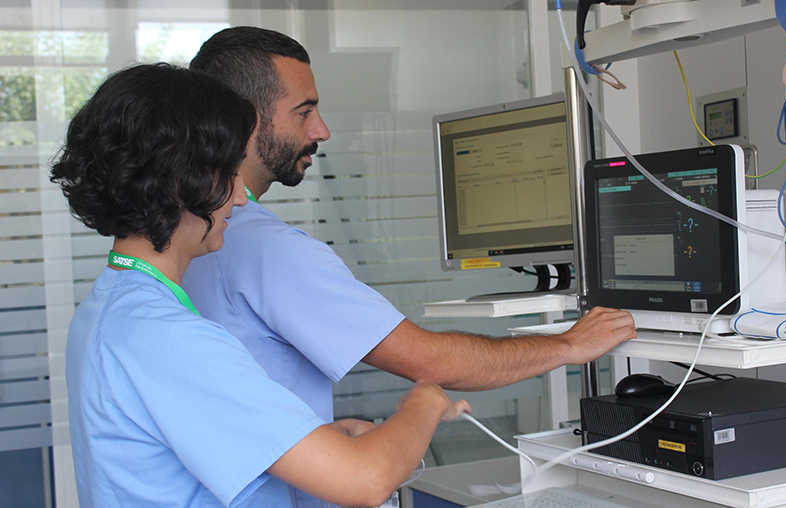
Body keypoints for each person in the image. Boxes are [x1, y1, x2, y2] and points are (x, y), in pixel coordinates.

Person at [182, 26, 637, 507]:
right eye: (305, 111)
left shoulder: (188, 236)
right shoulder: (263, 247)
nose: (322, 130)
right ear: (247, 120)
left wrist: (318, 435)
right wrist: (569, 344)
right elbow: (430, 363)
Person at [52, 63, 470, 508]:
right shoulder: (170, 337)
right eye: (229, 173)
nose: (238, 196)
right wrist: (424, 402)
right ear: (183, 179)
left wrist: (328, 439)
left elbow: (165, 456)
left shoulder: (108, 308)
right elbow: (365, 481)